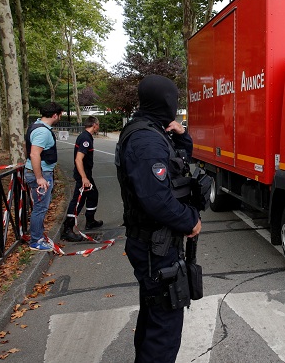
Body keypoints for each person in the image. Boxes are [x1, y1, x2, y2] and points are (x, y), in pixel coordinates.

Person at [116, 74, 201, 363]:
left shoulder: (150, 132)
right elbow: (157, 200)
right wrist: (190, 220)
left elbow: (179, 163)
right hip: (155, 245)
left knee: (154, 316)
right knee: (164, 327)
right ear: (166, 102)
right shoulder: (146, 141)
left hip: (155, 244)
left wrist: (181, 135)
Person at [24, 102, 64, 252]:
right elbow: (35, 153)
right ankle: (36, 241)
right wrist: (39, 177)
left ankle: (37, 236)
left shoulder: (35, 126)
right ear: (55, 115)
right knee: (40, 208)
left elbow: (28, 148)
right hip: (42, 174)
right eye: (60, 115)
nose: (60, 117)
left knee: (39, 207)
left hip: (36, 171)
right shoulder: (43, 132)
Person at [62, 116, 103, 242]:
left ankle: (90, 221)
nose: (99, 126)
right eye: (98, 124)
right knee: (78, 201)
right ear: (94, 125)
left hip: (86, 174)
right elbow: (78, 159)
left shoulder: (86, 136)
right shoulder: (85, 138)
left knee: (93, 195)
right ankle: (67, 230)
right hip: (83, 175)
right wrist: (84, 178)